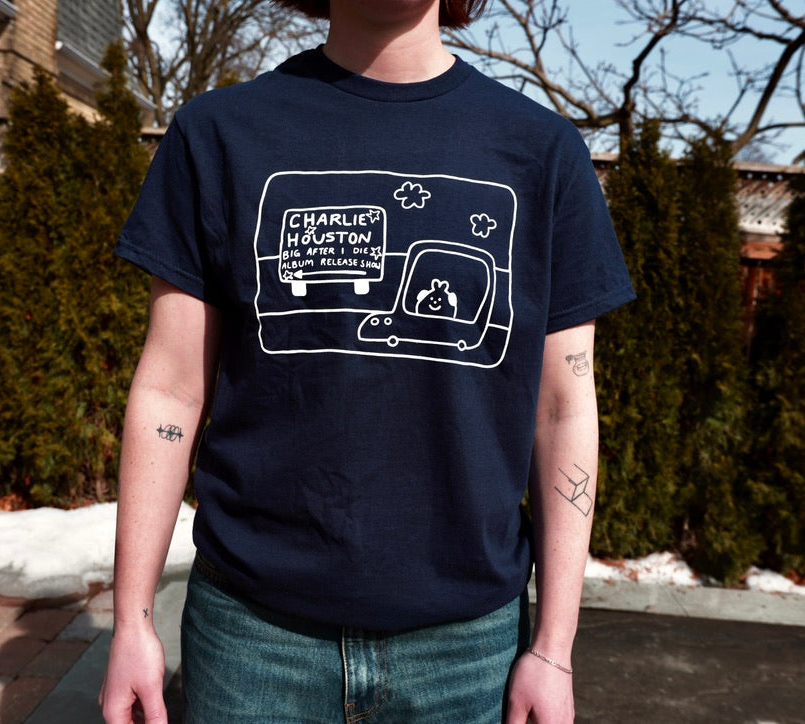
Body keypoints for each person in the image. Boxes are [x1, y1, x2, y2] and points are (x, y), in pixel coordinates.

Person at [100, 0, 635, 721]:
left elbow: (563, 409)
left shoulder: (541, 150)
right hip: (252, 641)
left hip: (467, 653)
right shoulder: (219, 133)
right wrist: (131, 619)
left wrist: (554, 646)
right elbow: (170, 389)